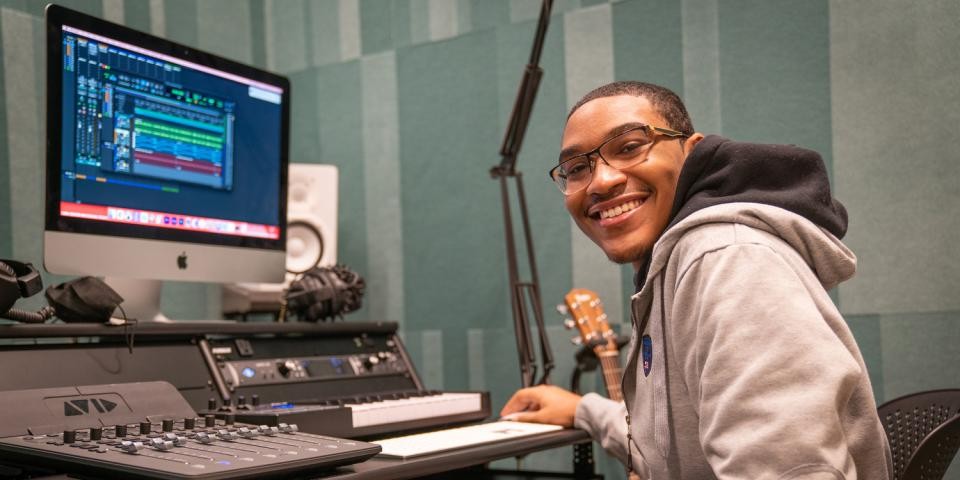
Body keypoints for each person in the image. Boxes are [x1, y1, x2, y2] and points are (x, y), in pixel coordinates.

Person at [500, 81, 893, 479]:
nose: (601, 181)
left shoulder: (728, 261)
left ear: (692, 152)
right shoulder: (671, 266)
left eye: (630, 146)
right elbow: (673, 446)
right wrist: (583, 410)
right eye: (577, 169)